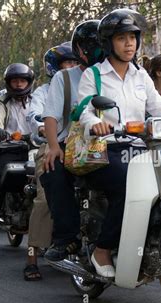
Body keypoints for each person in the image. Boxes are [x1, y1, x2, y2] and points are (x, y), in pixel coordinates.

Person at [78, 9, 161, 285]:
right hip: (106, 149)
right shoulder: (94, 75)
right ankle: (102, 251)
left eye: (133, 38)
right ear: (108, 42)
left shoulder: (140, 76)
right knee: (128, 186)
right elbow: (85, 111)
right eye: (122, 38)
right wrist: (95, 124)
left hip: (142, 149)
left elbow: (159, 109)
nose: (129, 44)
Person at [40, 20, 105, 263]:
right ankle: (66, 238)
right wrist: (53, 146)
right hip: (74, 145)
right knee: (52, 171)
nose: (98, 51)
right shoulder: (64, 78)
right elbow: (51, 115)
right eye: (91, 46)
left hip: (115, 143)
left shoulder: (121, 73)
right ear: (79, 50)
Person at [23, 42, 79, 281]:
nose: (74, 66)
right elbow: (35, 116)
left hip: (90, 147)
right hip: (52, 147)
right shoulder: (43, 92)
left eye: (76, 62)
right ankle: (32, 257)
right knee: (44, 198)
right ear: (55, 67)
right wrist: (47, 129)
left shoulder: (90, 81)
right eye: (69, 63)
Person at [0, 63, 34, 239]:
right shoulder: (1, 100)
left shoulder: (38, 98)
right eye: (15, 81)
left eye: (22, 81)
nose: (18, 84)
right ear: (8, 83)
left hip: (34, 147)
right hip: (8, 148)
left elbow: (44, 116)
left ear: (29, 82)